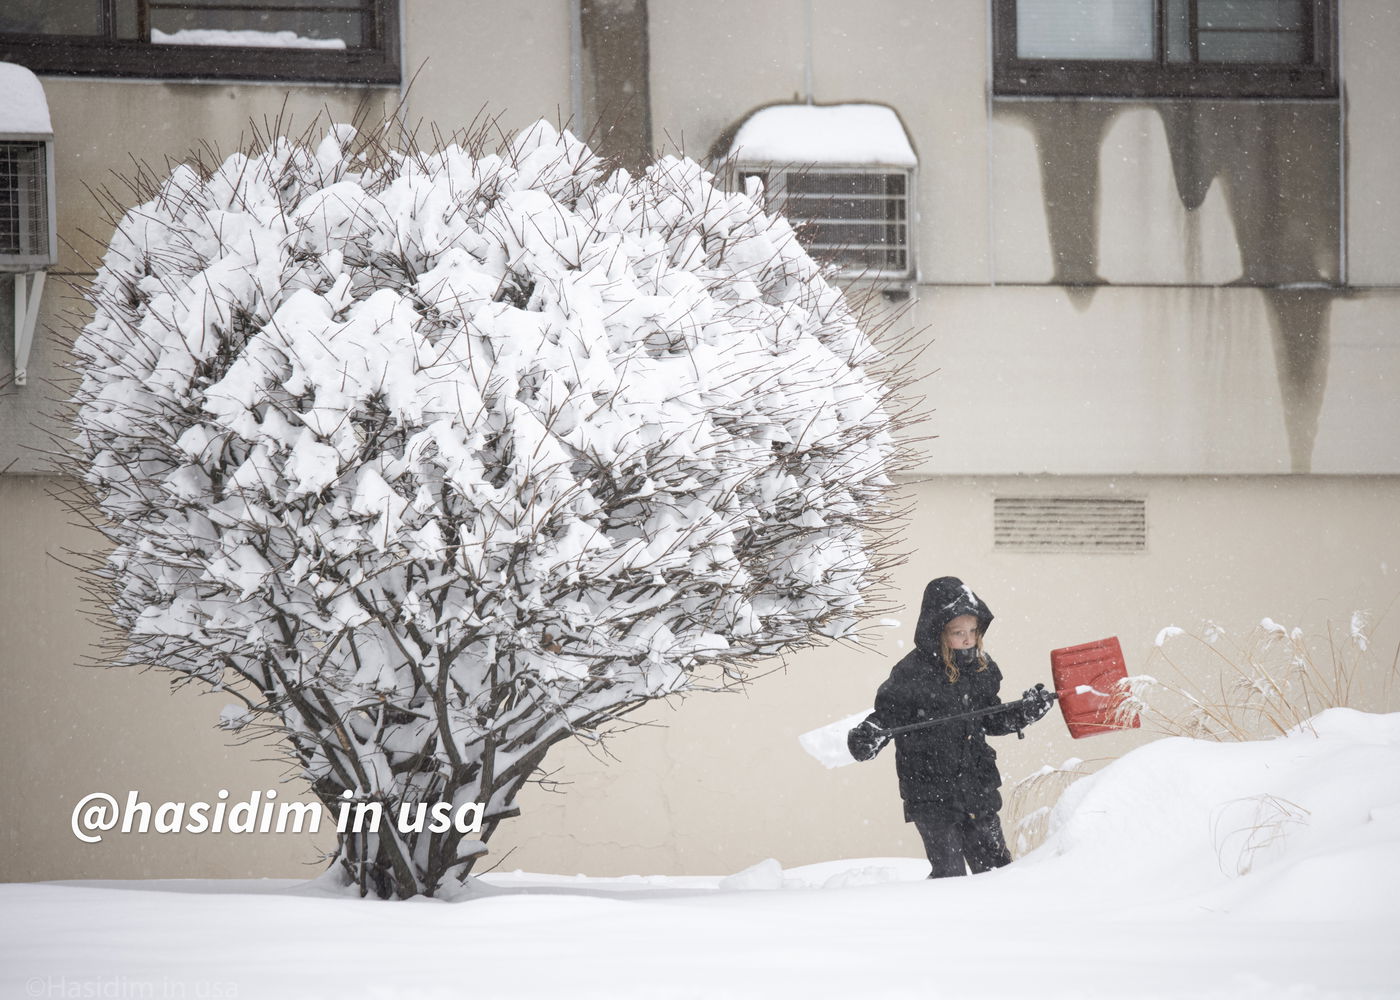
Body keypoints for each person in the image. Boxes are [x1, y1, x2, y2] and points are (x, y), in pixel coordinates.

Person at [847, 576, 1054, 879]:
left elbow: (990, 719)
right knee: (949, 874)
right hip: (930, 791)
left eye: (973, 631)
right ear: (937, 632)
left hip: (977, 786)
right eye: (958, 632)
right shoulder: (911, 674)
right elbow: (887, 716)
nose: (969, 639)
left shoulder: (981, 668)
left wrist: (1024, 713)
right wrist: (868, 736)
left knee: (997, 872)